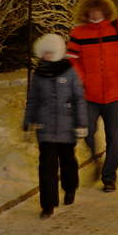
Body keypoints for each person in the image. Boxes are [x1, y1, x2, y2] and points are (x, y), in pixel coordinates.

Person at [67, 0, 118, 192]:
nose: (94, 12)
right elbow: (72, 58)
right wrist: (83, 79)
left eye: (97, 8)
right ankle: (96, 161)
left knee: (113, 137)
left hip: (115, 94)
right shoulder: (78, 33)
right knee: (87, 131)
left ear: (105, 9)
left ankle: (109, 176)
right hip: (90, 94)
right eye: (90, 8)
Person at [23, 32, 88, 218]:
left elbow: (79, 99)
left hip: (67, 128)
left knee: (67, 161)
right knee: (46, 167)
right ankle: (48, 203)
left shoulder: (70, 72)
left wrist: (81, 123)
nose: (47, 56)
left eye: (51, 52)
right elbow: (33, 100)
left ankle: (69, 187)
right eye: (44, 53)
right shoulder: (38, 75)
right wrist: (29, 121)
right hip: (45, 128)